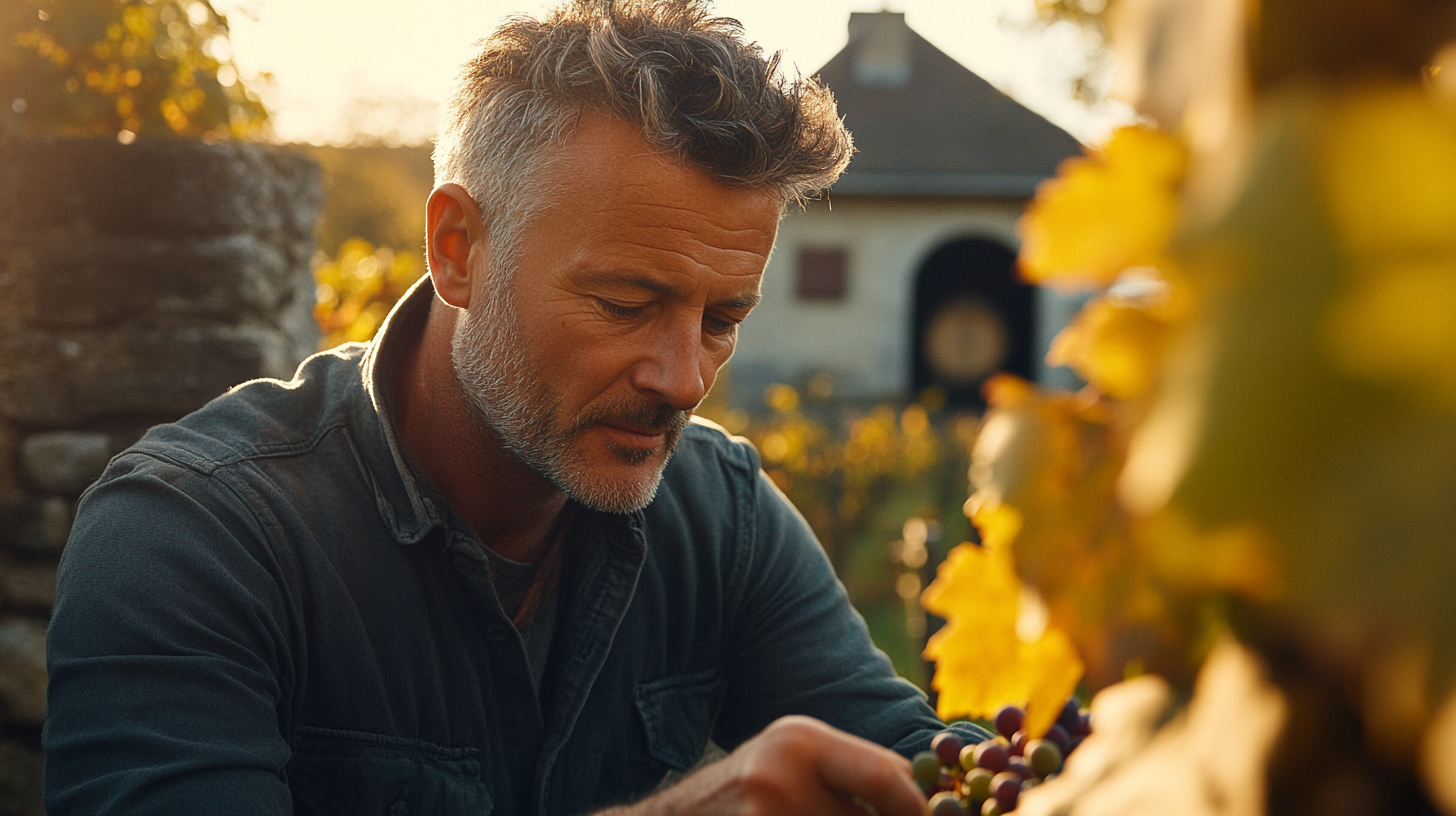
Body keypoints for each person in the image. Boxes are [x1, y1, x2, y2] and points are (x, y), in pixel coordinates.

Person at [43, 1, 988, 813]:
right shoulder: (193, 538)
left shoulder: (722, 517)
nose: (684, 379)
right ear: (456, 249)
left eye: (722, 318)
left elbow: (914, 764)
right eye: (626, 304)